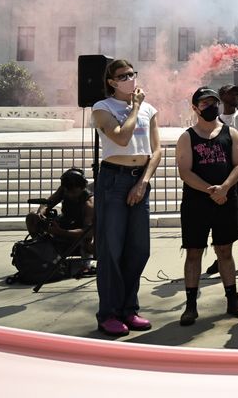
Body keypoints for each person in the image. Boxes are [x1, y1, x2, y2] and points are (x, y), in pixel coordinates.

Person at [91, 59, 162, 336]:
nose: (130, 79)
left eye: (132, 74)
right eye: (123, 76)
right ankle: (108, 312)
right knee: (111, 249)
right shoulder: (103, 107)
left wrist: (143, 182)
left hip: (139, 180)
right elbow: (121, 138)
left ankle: (129, 308)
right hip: (114, 180)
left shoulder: (149, 109)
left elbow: (156, 150)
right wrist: (133, 108)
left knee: (138, 249)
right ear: (112, 82)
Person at [175, 86, 238, 326]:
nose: (210, 107)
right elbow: (185, 172)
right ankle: (191, 305)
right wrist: (211, 190)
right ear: (195, 108)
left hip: (226, 201)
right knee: (194, 252)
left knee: (225, 251)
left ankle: (232, 300)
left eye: (213, 102)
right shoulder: (187, 137)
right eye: (205, 103)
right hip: (196, 203)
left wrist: (224, 188)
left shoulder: (231, 133)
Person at [205, 63, 238, 276]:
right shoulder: (215, 121)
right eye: (230, 93)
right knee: (220, 219)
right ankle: (221, 258)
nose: (235, 96)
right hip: (221, 172)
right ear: (221, 97)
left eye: (236, 93)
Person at [26, 167, 95, 270]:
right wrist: (40, 213)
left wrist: (61, 232)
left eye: (73, 192)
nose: (69, 194)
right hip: (63, 224)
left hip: (78, 235)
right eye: (67, 191)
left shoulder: (89, 203)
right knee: (32, 218)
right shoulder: (64, 189)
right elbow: (47, 203)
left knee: (91, 244)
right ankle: (40, 249)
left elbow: (88, 232)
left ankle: (86, 263)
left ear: (82, 188)